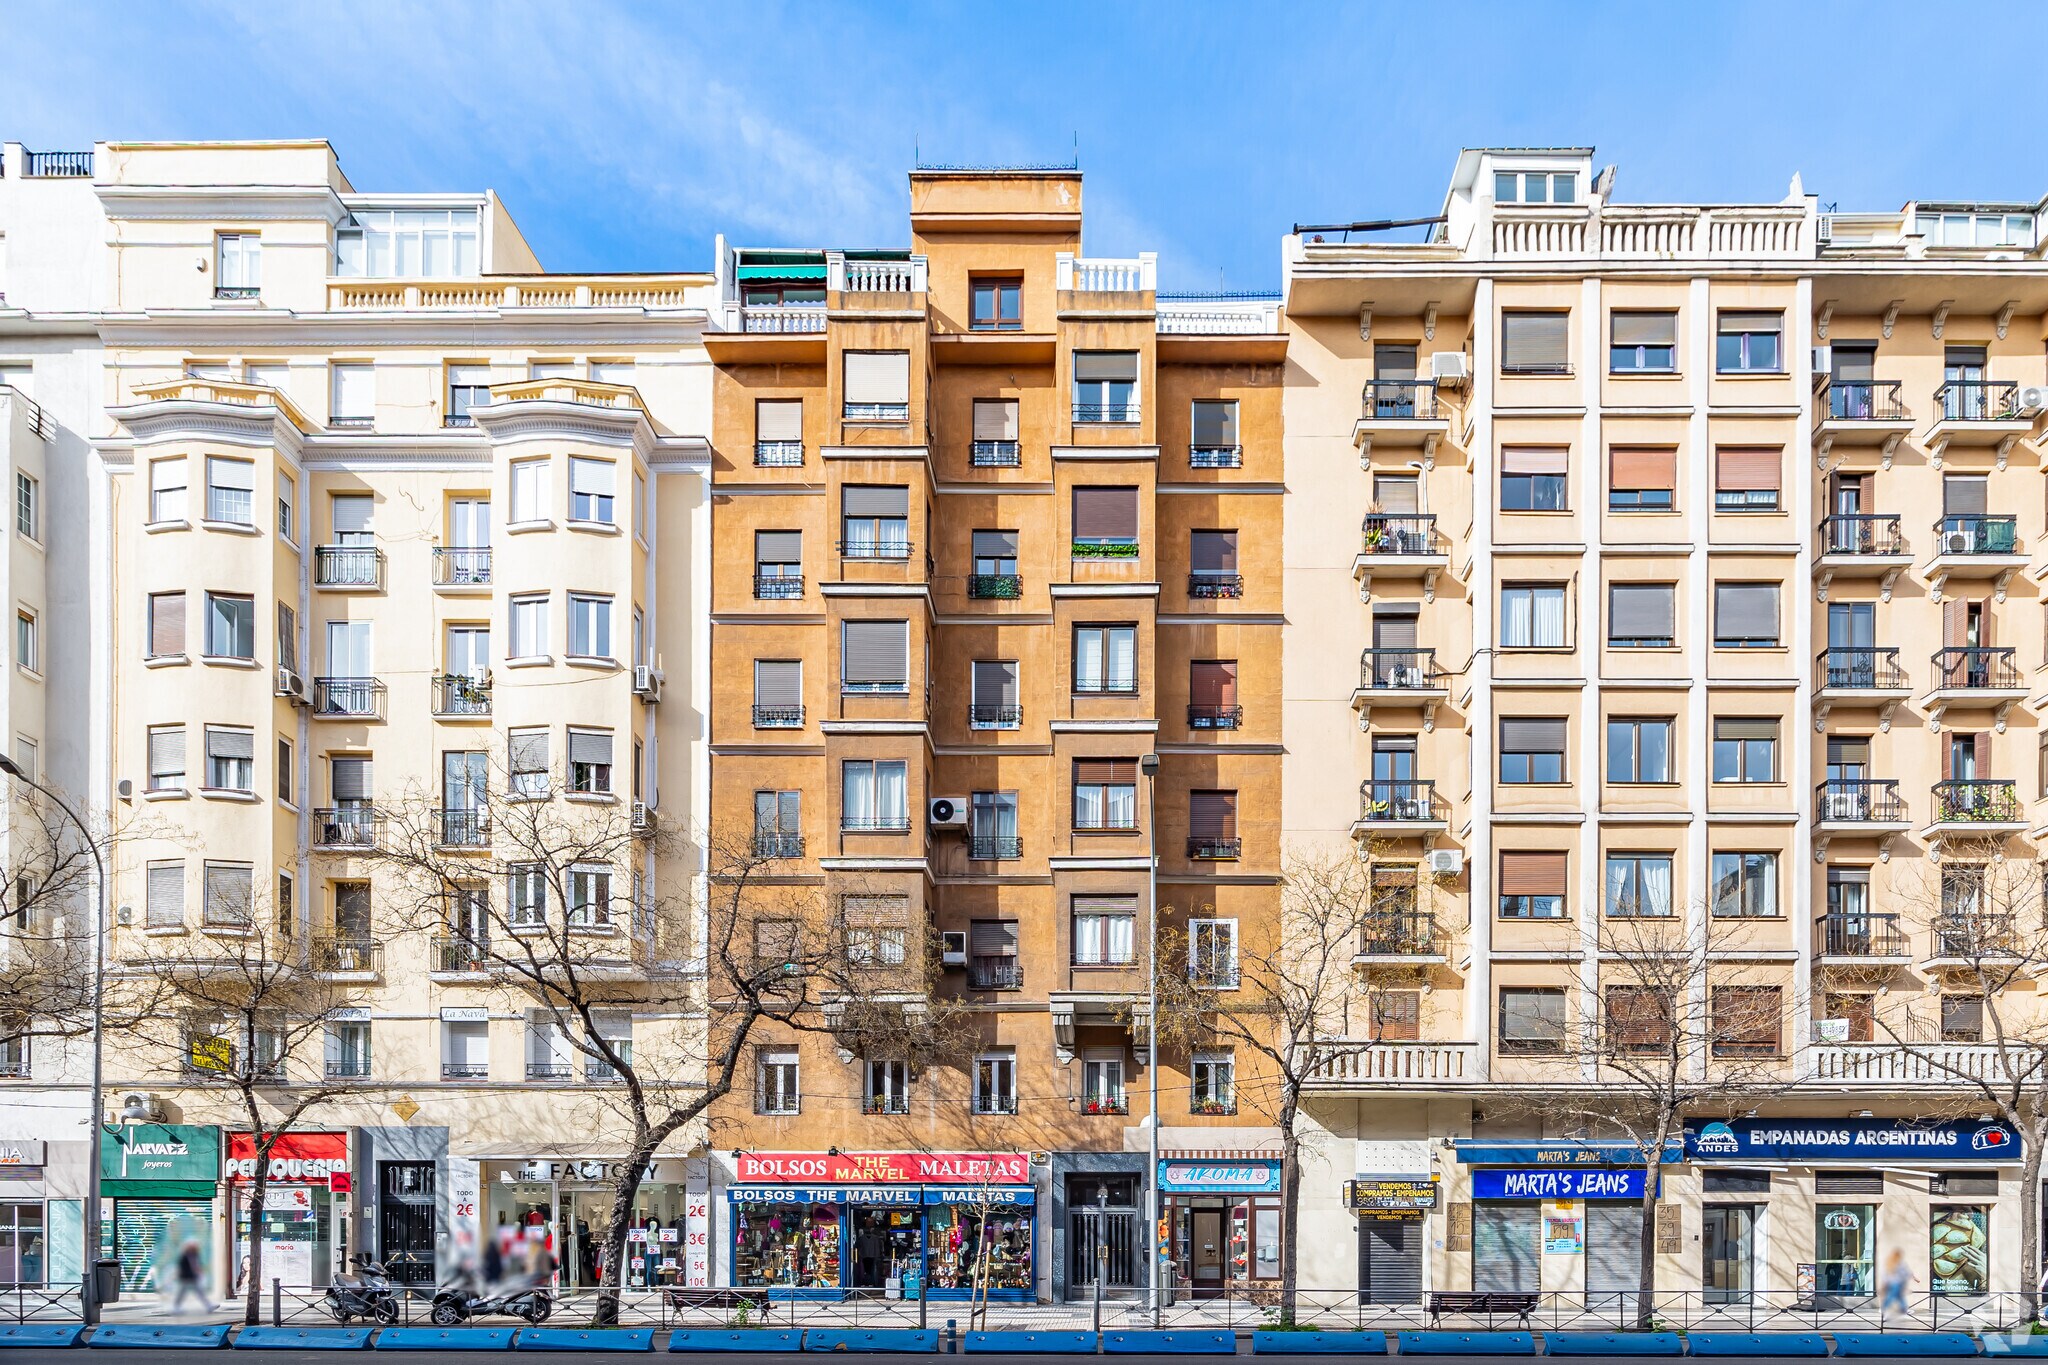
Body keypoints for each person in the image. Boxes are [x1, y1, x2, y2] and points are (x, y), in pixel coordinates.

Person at [167, 1236, 209, 1315]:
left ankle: (208, 1306)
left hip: (191, 1277)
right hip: (186, 1277)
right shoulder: (185, 1256)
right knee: (182, 1292)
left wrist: (199, 1271)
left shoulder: (195, 1255)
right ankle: (176, 1307)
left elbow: (196, 1265)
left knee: (198, 1291)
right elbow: (182, 1267)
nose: (194, 1247)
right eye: (192, 1246)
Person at [1881, 1247, 1913, 1320]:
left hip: (1890, 1283)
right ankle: (1884, 1308)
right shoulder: (1900, 1263)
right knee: (1892, 1296)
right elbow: (1905, 1273)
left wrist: (1885, 1282)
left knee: (1899, 1296)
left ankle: (1904, 1309)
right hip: (1897, 1283)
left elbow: (1884, 1274)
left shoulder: (1889, 1262)